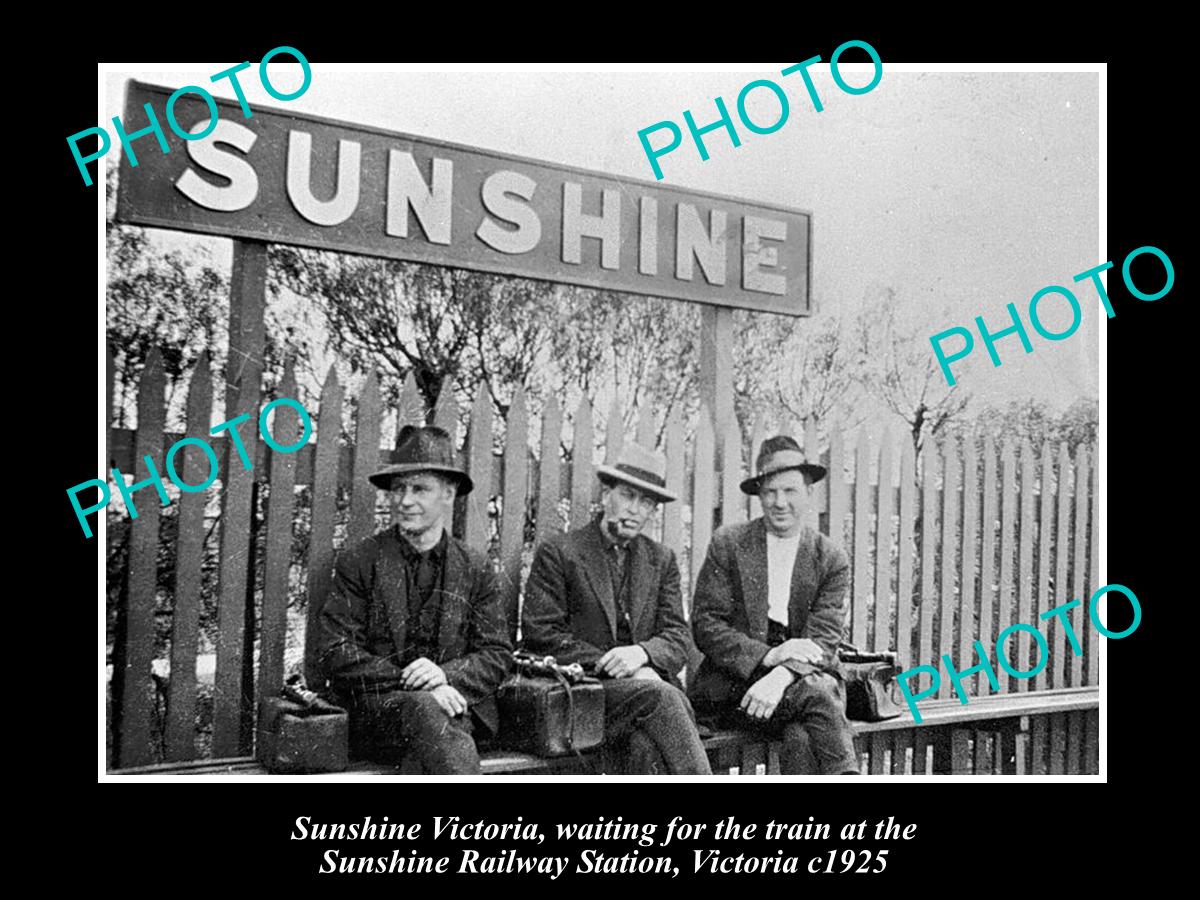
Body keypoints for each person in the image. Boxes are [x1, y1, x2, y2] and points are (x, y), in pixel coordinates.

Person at [316, 425, 512, 774]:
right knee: (425, 713)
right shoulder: (360, 562)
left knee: (426, 745)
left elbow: (496, 654)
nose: (404, 501)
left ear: (449, 494)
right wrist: (417, 684)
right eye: (398, 489)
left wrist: (444, 676)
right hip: (382, 716)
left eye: (419, 489)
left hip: (458, 710)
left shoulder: (476, 568)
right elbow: (336, 651)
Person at [522, 442, 712, 775]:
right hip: (586, 694)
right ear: (607, 494)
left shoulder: (660, 560)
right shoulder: (561, 552)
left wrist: (642, 654)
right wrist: (615, 665)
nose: (635, 509)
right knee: (661, 697)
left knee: (643, 746)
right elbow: (542, 633)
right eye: (628, 496)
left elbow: (678, 635)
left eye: (646, 502)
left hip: (646, 700)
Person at [690, 435, 859, 774]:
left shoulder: (830, 558)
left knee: (801, 737)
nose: (779, 502)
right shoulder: (730, 543)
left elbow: (823, 640)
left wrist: (781, 675)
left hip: (796, 687)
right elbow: (706, 625)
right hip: (735, 691)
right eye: (770, 492)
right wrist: (768, 657)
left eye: (790, 491)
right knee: (822, 693)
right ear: (759, 496)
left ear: (809, 493)